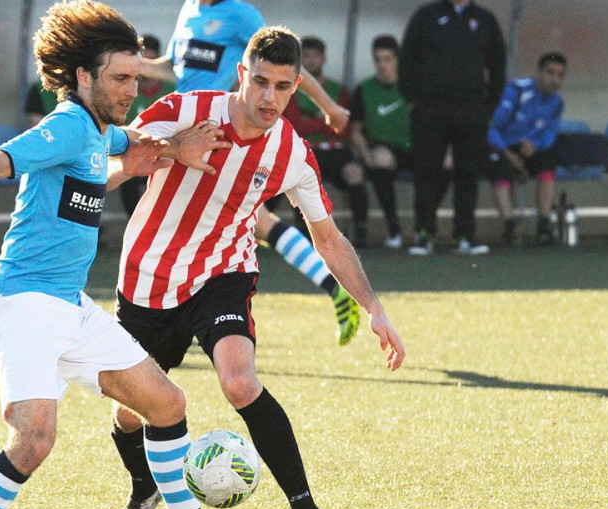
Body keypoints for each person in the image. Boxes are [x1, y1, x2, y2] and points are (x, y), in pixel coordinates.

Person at [0, 2, 259, 509]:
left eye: (136, 76)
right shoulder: (66, 126)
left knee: (166, 404)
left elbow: (126, 148)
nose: (131, 88)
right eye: (120, 78)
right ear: (84, 77)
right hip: (23, 301)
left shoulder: (96, 130)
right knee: (34, 442)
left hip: (69, 305)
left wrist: (171, 151)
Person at [108, 26, 406, 509]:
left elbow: (328, 238)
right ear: (242, 75)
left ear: (296, 88)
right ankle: (143, 488)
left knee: (240, 383)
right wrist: (173, 149)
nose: (270, 99)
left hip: (222, 272)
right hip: (147, 279)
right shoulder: (184, 107)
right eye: (261, 82)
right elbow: (109, 166)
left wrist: (375, 309)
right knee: (130, 414)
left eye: (284, 87)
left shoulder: (292, 151)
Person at [141, 0, 360, 345]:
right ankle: (332, 287)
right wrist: (130, 65)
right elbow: (175, 67)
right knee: (254, 220)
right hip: (182, 131)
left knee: (240, 221)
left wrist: (329, 106)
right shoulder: (190, 11)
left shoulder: (241, 15)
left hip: (212, 131)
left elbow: (282, 66)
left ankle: (178, 320)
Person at [399, 0, 507, 256]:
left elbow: (498, 66)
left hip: (471, 111)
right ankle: (424, 234)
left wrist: (487, 108)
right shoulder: (427, 15)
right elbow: (407, 60)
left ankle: (465, 236)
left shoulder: (485, 19)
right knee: (427, 173)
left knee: (468, 174)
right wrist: (414, 101)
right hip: (430, 111)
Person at [282, 36, 369, 247]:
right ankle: (303, 231)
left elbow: (344, 129)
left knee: (354, 173)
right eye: (307, 57)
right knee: (293, 175)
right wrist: (326, 121)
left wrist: (312, 122)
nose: (311, 62)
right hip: (305, 150)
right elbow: (295, 126)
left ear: (324, 59)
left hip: (335, 151)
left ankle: (361, 231)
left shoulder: (339, 90)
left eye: (315, 57)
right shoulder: (290, 89)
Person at [487, 51, 567, 246]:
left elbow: (550, 134)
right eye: (550, 73)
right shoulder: (517, 92)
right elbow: (491, 127)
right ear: (539, 73)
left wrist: (536, 146)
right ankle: (509, 225)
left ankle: (544, 223)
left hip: (530, 148)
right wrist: (506, 152)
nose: (555, 79)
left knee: (548, 161)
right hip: (504, 146)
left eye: (560, 75)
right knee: (499, 166)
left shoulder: (557, 103)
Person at [349, 35, 412, 249]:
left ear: (397, 60)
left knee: (445, 161)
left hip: (415, 148)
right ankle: (394, 228)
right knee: (380, 159)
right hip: (383, 149)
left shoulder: (413, 88)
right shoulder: (364, 89)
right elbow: (355, 130)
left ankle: (427, 231)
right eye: (378, 60)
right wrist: (365, 154)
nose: (382, 65)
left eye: (387, 59)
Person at [119, 34, 176, 217]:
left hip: (168, 150)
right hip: (135, 150)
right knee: (125, 178)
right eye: (143, 63)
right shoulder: (127, 90)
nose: (147, 70)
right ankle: (134, 220)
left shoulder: (173, 89)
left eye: (151, 62)